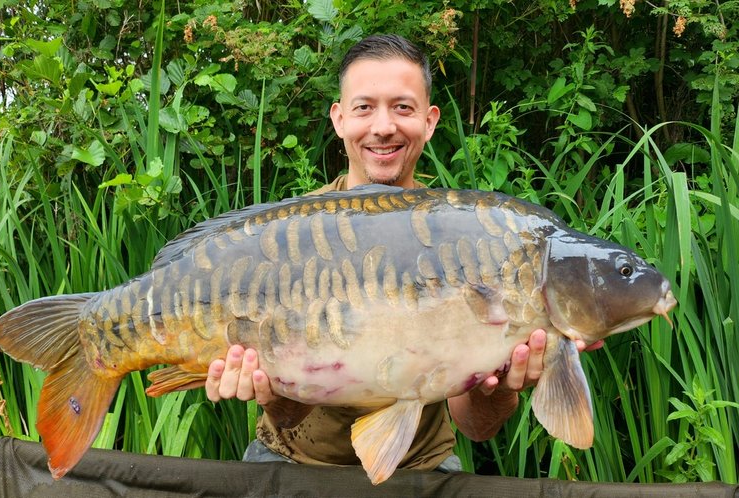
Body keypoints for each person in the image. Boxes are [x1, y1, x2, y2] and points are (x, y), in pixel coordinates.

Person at [205, 34, 602, 473]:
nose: (382, 126)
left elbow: (477, 427)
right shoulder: (286, 237)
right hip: (291, 457)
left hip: (420, 462)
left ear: (429, 121)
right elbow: (287, 417)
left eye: (402, 107)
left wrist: (500, 387)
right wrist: (271, 392)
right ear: (338, 119)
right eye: (363, 107)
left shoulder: (468, 240)